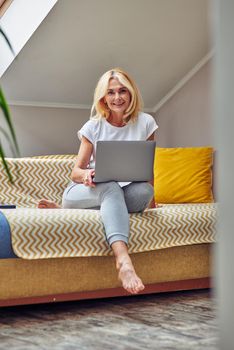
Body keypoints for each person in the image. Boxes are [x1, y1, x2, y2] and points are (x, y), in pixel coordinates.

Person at [38, 68, 158, 294]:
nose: (117, 97)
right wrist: (86, 175)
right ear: (103, 97)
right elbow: (76, 171)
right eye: (110, 92)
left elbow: (147, 168)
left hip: (120, 193)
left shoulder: (146, 123)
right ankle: (123, 260)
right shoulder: (93, 126)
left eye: (123, 91)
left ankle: (64, 211)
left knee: (144, 191)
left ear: (131, 94)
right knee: (110, 185)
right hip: (84, 190)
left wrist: (152, 201)